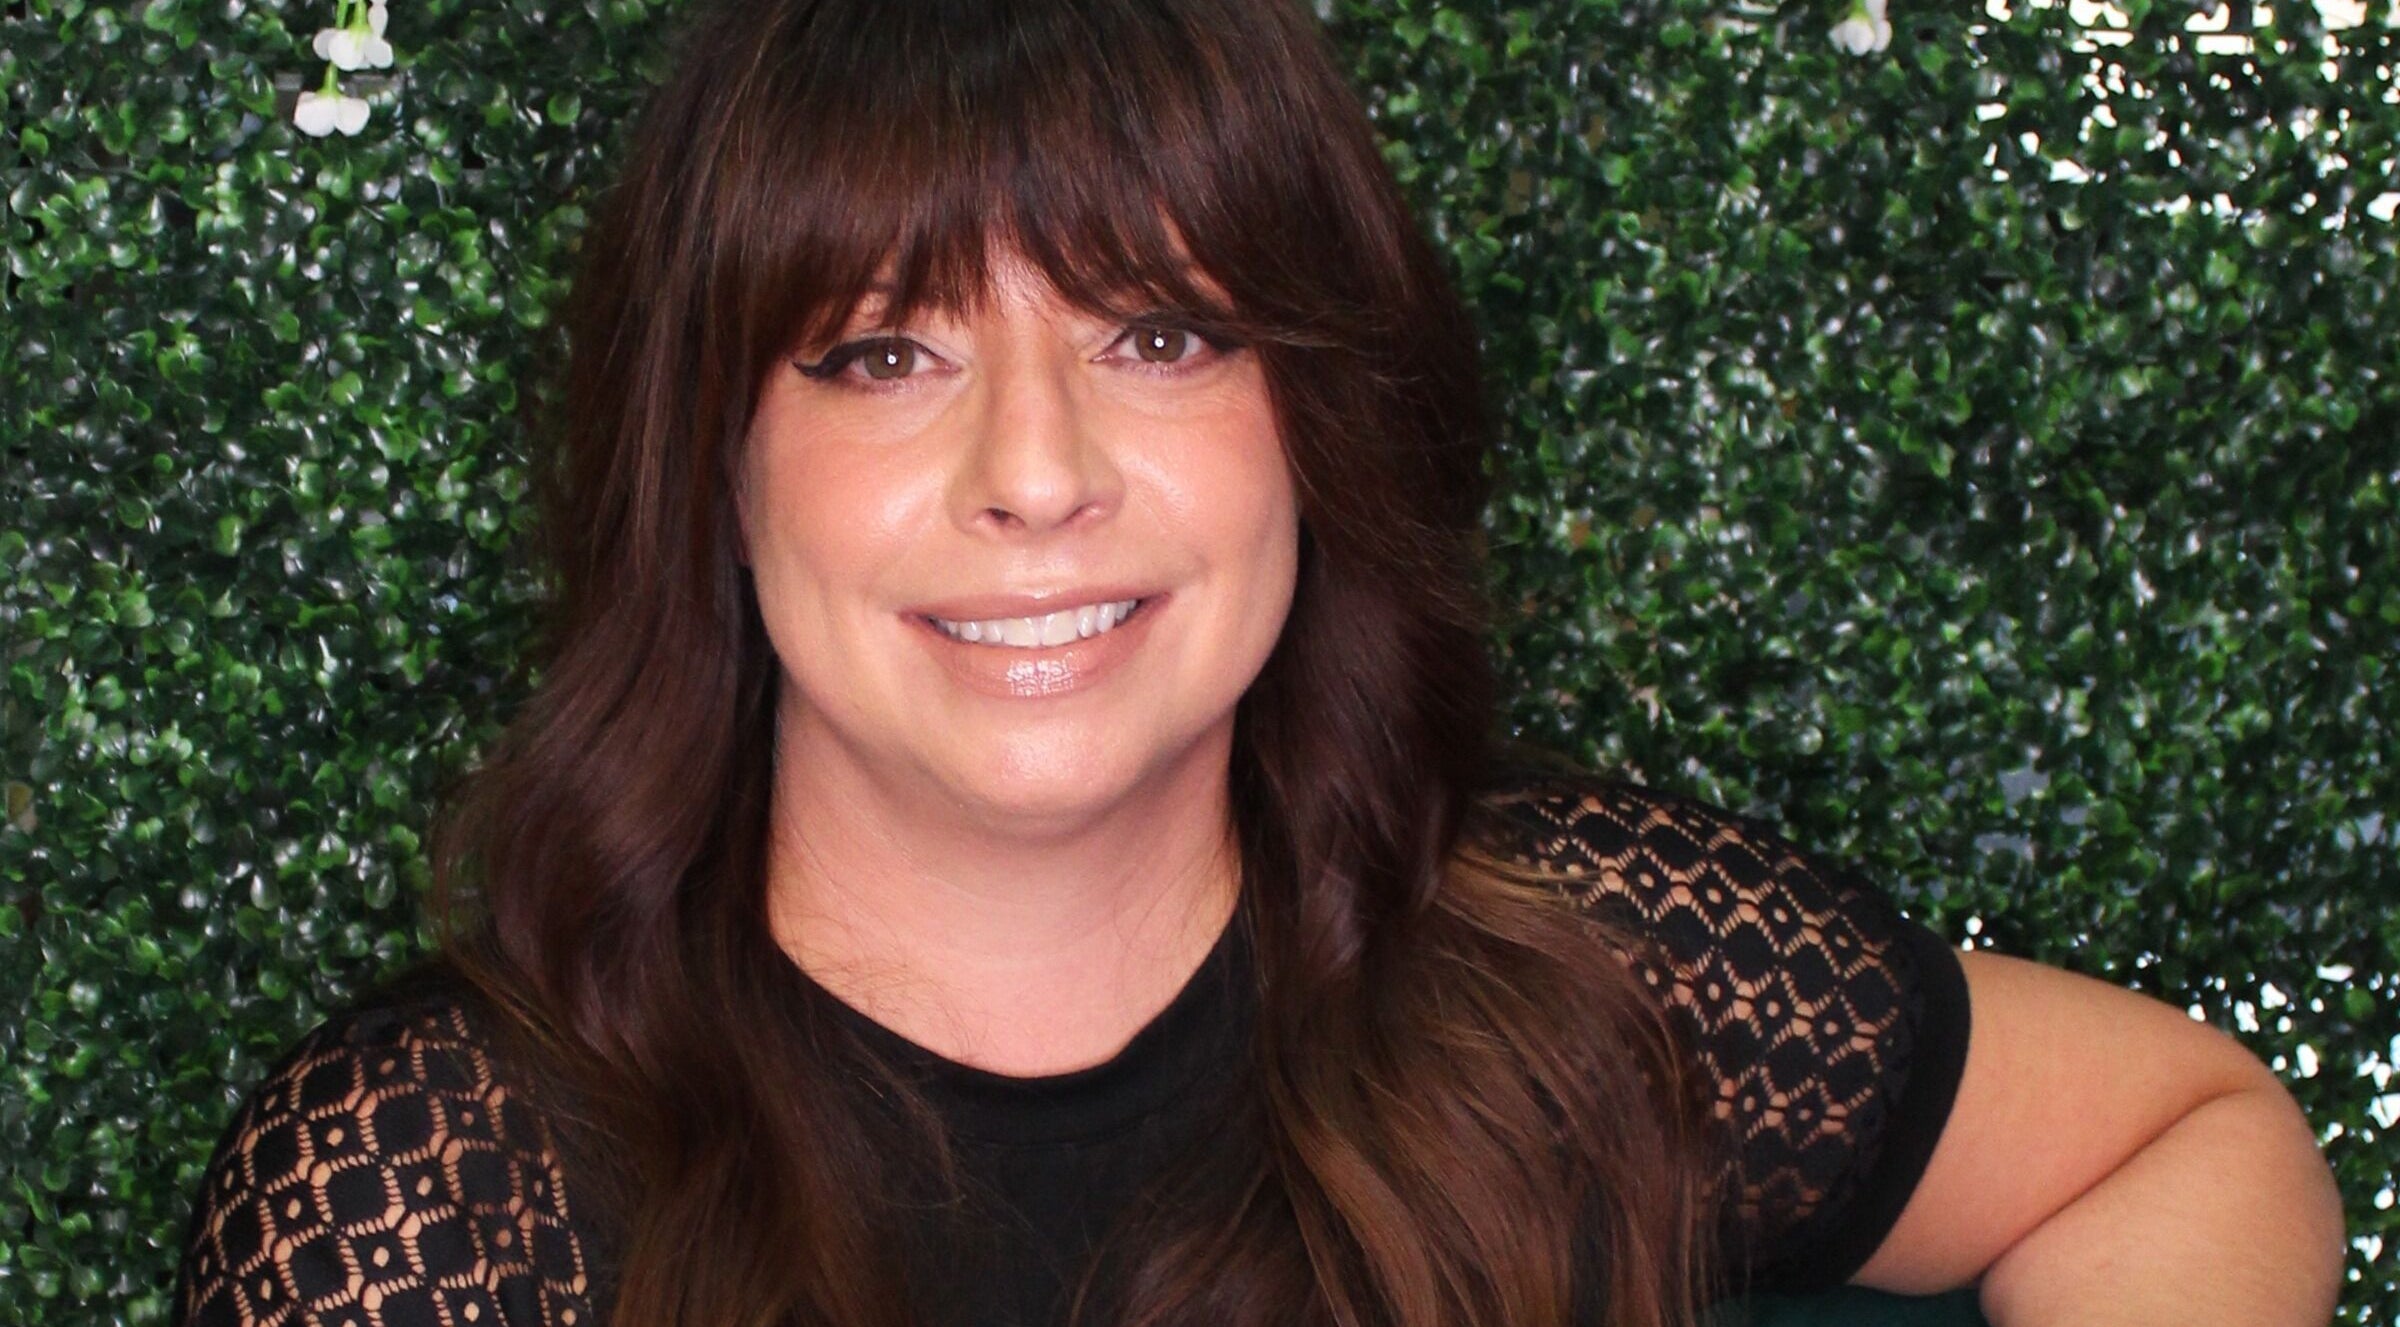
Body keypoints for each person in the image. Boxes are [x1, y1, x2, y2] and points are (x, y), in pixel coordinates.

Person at [172, 0, 2345, 1324]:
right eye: (882, 352)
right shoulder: (428, 1201)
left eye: (1162, 332)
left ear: (1311, 410)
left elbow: (2188, 1142)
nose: (1037, 473)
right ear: (714, 468)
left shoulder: (1571, 966)